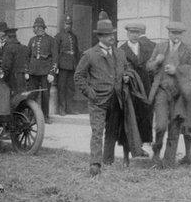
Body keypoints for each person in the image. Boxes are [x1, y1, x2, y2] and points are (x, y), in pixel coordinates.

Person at [74, 11, 130, 176]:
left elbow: (126, 69)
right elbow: (78, 76)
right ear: (100, 37)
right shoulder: (90, 55)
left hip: (116, 98)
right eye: (107, 35)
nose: (111, 37)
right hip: (97, 100)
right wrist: (90, 93)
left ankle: (108, 159)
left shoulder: (120, 54)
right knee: (97, 131)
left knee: (112, 131)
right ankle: (95, 164)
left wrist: (126, 77)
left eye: (112, 34)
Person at [146, 22, 191, 167]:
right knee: (161, 126)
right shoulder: (160, 47)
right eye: (173, 33)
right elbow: (148, 67)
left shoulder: (189, 50)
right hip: (162, 92)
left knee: (175, 128)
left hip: (179, 95)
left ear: (182, 34)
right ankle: (156, 153)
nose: (175, 35)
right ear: (168, 33)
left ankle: (168, 161)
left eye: (178, 33)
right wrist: (157, 62)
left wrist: (177, 70)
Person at [119, 23, 155, 149]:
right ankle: (133, 142)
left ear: (140, 34)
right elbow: (119, 67)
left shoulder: (146, 47)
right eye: (131, 32)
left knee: (146, 111)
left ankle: (146, 139)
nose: (134, 35)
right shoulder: (122, 49)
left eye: (136, 33)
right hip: (131, 86)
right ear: (127, 34)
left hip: (145, 85)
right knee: (133, 112)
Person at [26, 16, 58, 124]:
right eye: (34, 27)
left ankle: (45, 116)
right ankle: (31, 116)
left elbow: (55, 58)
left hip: (45, 72)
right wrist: (27, 71)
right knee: (32, 94)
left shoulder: (51, 40)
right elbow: (27, 57)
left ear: (41, 28)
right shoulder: (32, 40)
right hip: (33, 71)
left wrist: (52, 73)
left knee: (45, 95)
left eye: (35, 27)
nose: (34, 29)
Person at [55, 15, 79, 116]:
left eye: (69, 24)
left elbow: (77, 51)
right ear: (62, 24)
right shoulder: (58, 36)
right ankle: (62, 108)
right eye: (66, 24)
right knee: (62, 87)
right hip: (63, 64)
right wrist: (56, 65)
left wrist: (77, 64)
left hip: (72, 64)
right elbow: (56, 52)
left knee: (71, 87)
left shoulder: (74, 36)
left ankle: (70, 108)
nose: (68, 26)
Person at [1, 27, 29, 95]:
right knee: (21, 96)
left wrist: (2, 78)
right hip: (23, 78)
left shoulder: (9, 48)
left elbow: (6, 66)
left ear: (8, 37)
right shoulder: (23, 47)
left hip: (13, 78)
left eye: (6, 37)